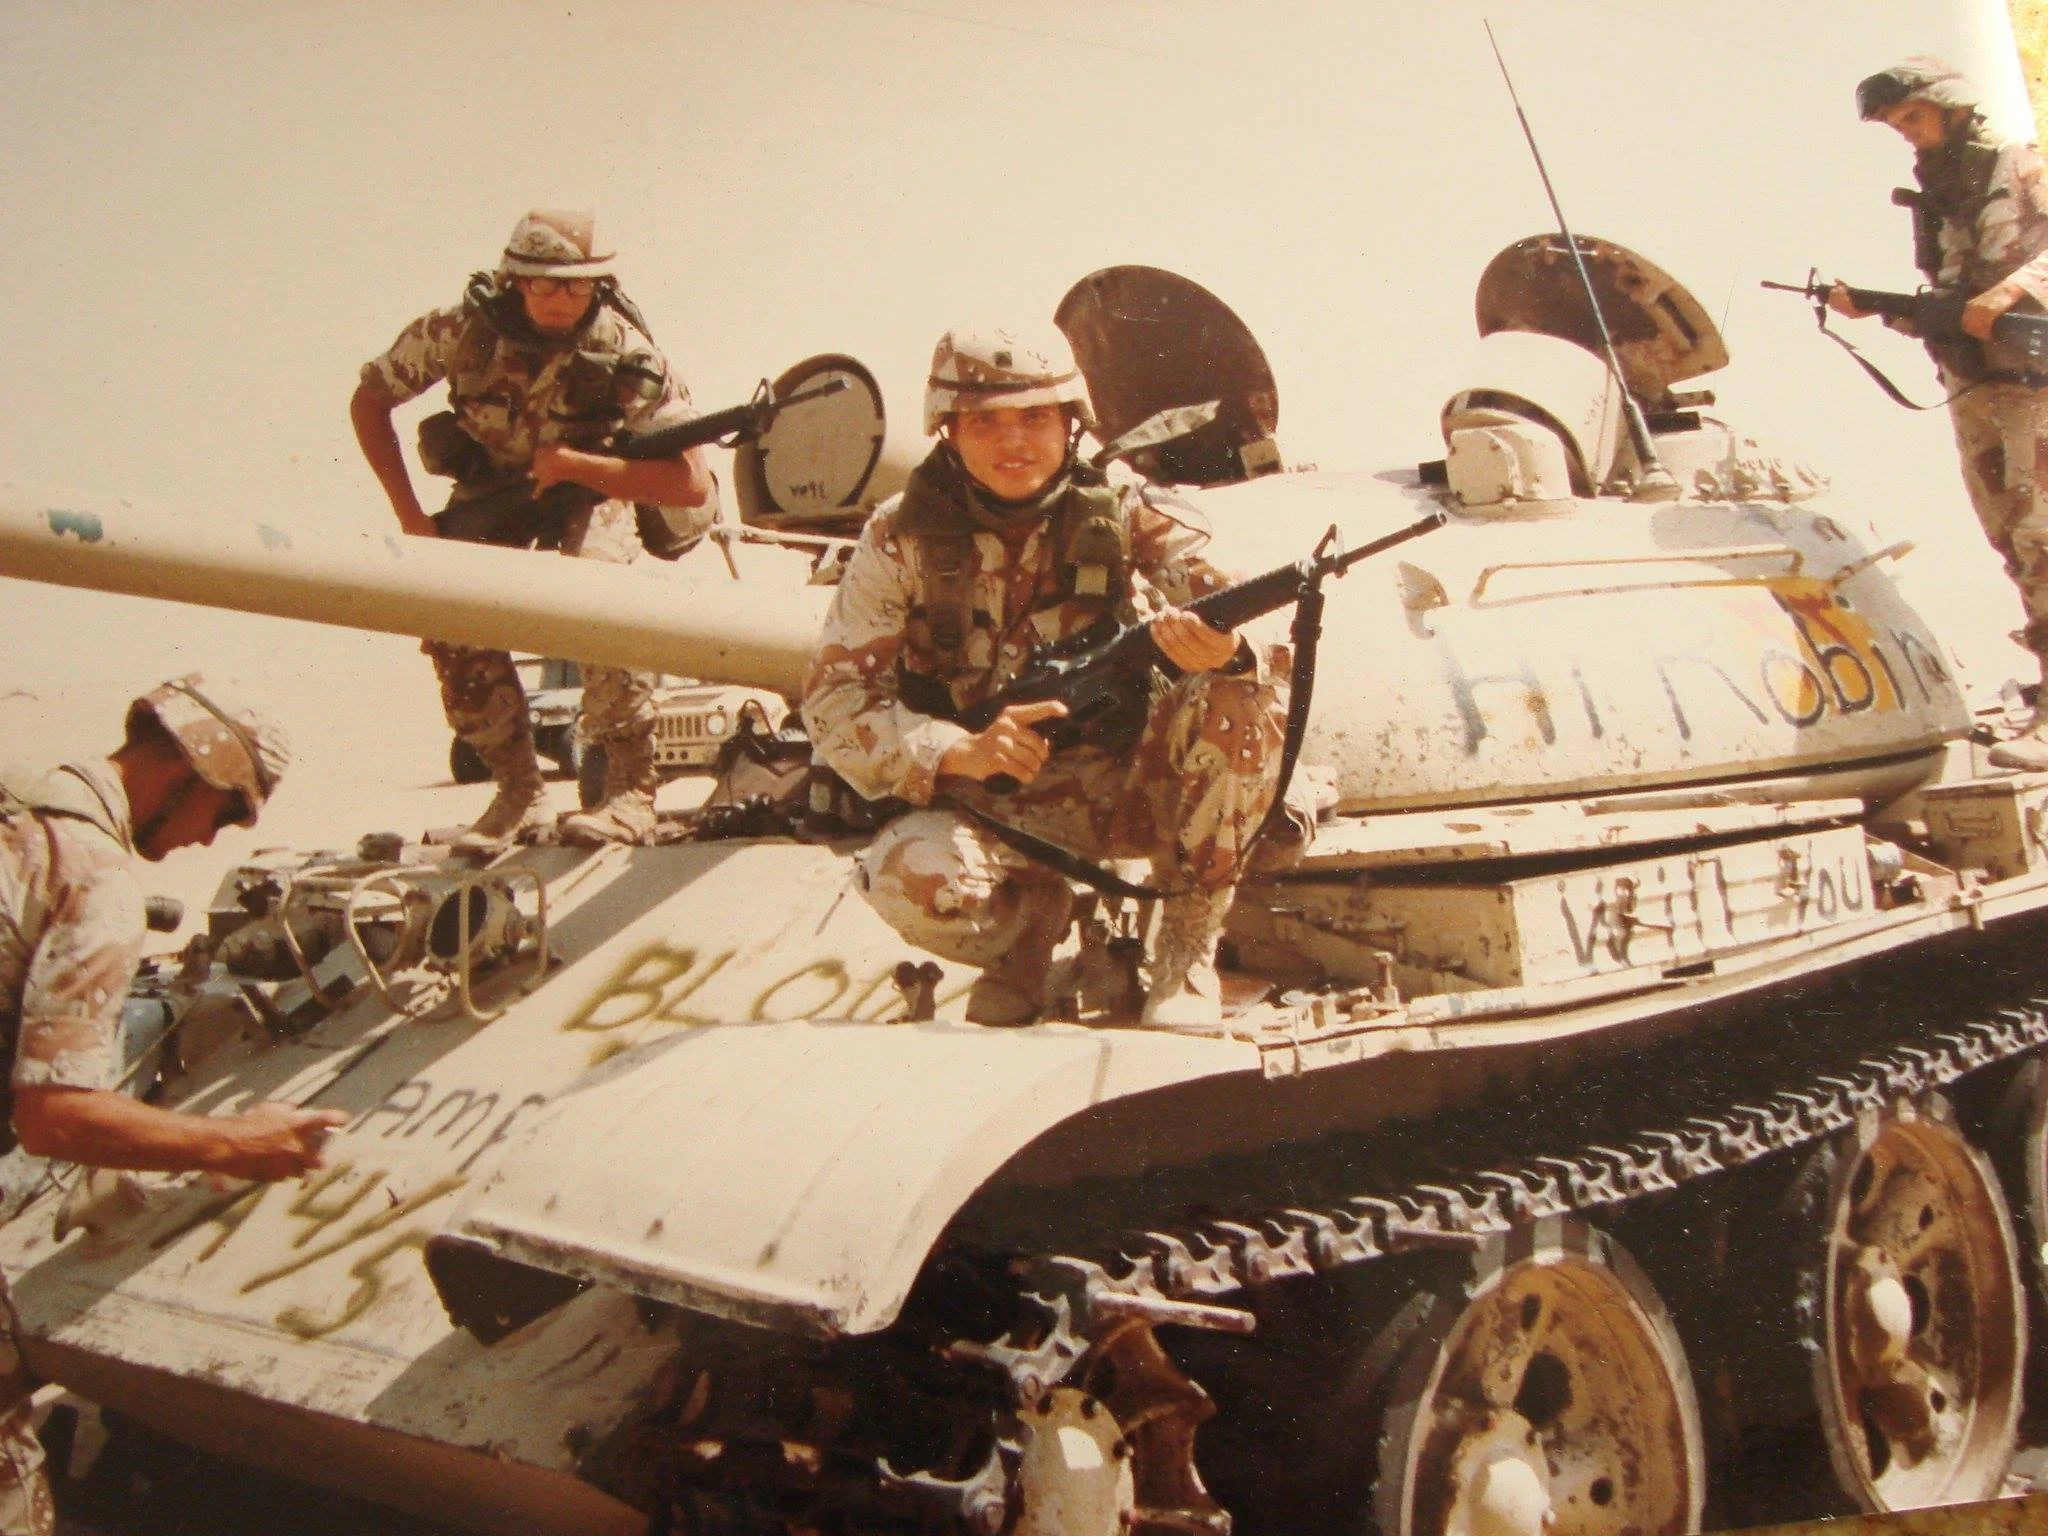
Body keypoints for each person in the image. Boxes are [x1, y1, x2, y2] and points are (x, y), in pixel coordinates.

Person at [802, 324, 1287, 1027]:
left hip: (1134, 785)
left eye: (1036, 417)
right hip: (1000, 805)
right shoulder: (897, 535)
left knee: (1238, 700)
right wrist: (955, 750)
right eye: (985, 422)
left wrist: (1229, 650)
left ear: (1072, 423)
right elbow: (835, 701)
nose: (1014, 443)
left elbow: (1259, 617)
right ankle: (1029, 940)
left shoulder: (1128, 507)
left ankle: (1184, 954)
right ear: (948, 431)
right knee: (908, 880)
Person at [0, 675, 349, 1535]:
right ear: (190, 771)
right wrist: (233, 1141)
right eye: (229, 813)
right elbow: (55, 1119)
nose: (210, 841)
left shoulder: (15, 799)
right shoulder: (91, 874)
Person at [351, 209, 716, 848]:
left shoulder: (627, 351)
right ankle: (519, 792)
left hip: (592, 485)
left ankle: (630, 791)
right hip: (497, 486)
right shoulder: (460, 332)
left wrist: (582, 465)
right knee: (449, 609)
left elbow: (691, 485)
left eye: (578, 286)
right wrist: (412, 520)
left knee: (600, 593)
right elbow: (370, 400)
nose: (561, 299)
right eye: (545, 283)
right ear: (514, 280)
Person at [1830, 58, 2048, 769]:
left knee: (2044, 537)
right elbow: (1951, 295)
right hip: (1976, 385)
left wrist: (2013, 290)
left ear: (1951, 106)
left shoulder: (2020, 165)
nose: (1907, 136)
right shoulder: (1940, 193)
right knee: (2016, 545)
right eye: (1897, 127)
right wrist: (1891, 311)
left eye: (1912, 119)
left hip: (2034, 382)